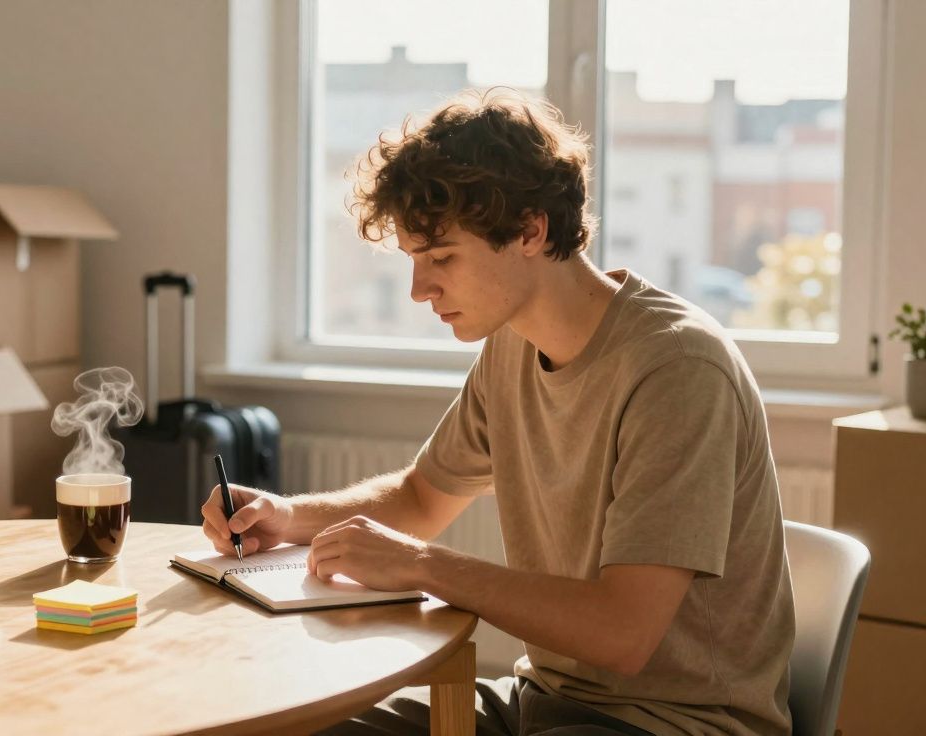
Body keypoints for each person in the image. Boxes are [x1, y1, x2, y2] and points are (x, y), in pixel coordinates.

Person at [201, 89, 794, 736]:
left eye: (442, 258)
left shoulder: (677, 369)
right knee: (299, 724)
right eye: (415, 261)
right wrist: (290, 518)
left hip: (674, 724)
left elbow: (625, 633)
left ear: (531, 230)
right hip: (541, 703)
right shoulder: (512, 345)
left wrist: (423, 566)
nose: (420, 289)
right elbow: (421, 497)